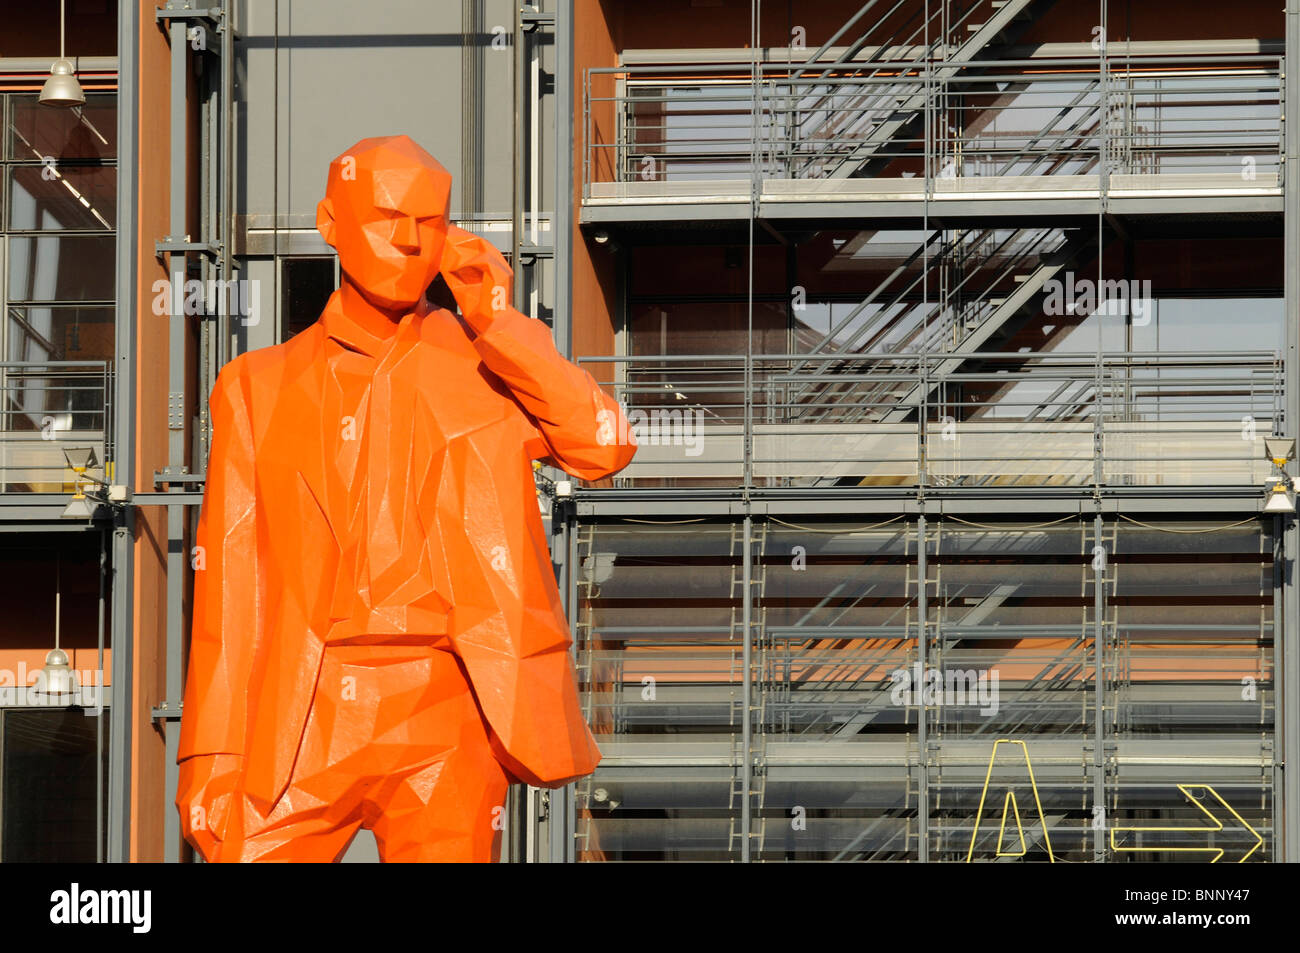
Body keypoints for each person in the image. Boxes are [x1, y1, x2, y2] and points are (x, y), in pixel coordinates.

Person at [175, 135, 634, 862]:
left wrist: (499, 322)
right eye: (387, 217)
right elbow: (228, 592)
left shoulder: (490, 367)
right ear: (330, 223)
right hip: (305, 706)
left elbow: (602, 444)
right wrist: (206, 757)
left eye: (430, 222)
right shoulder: (255, 388)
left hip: (446, 703)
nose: (409, 241)